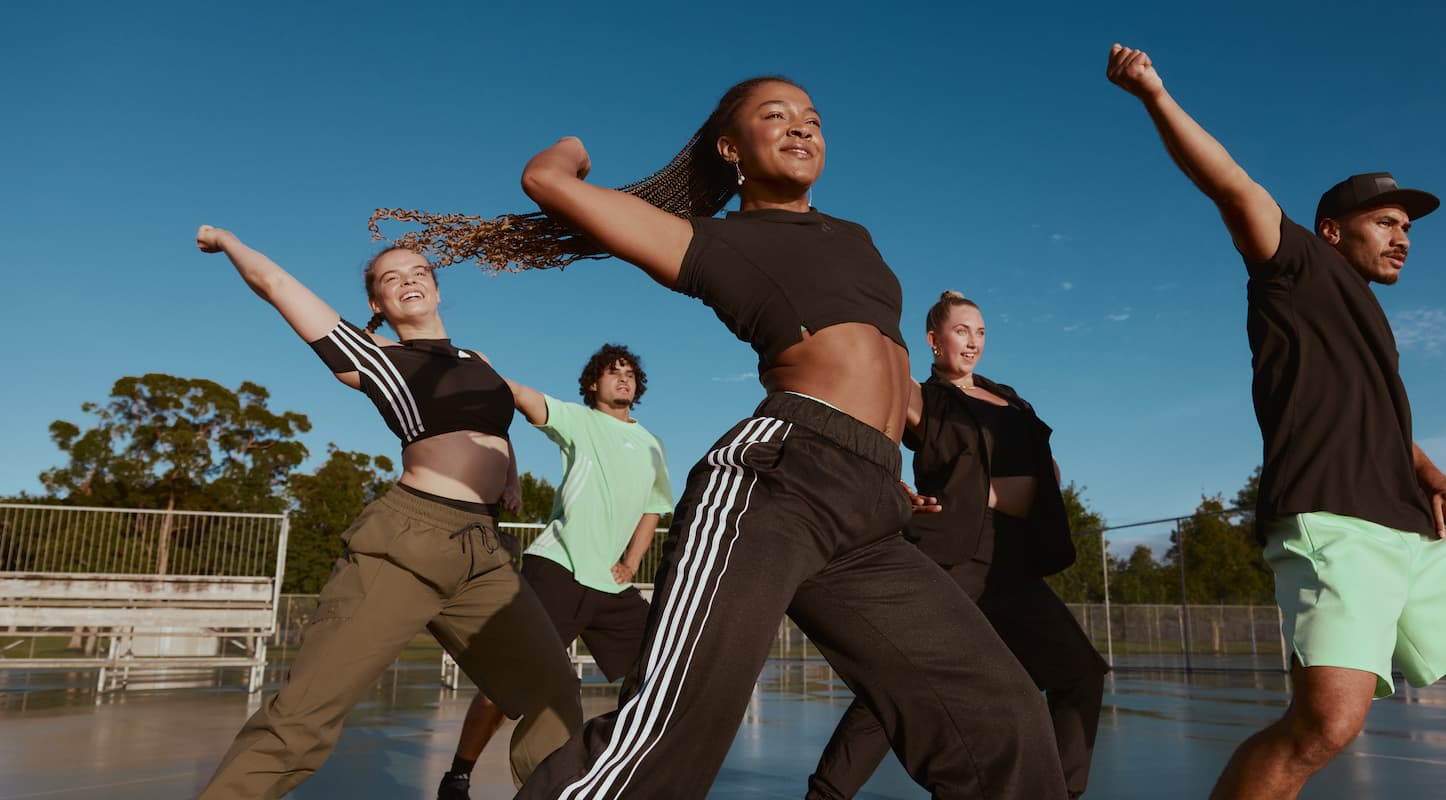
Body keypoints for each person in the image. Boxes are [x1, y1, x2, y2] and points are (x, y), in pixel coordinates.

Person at [378, 76, 1067, 798]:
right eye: (776, 116)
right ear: (732, 149)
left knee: (1001, 718)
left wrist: (893, 462)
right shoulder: (714, 243)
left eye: (813, 119)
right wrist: (578, 146)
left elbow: (887, 376)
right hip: (780, 480)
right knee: (669, 737)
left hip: (871, 502)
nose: (802, 128)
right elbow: (546, 179)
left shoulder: (855, 238)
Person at [1105, 45, 1446, 800]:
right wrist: (1154, 94)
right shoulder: (1294, 272)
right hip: (1335, 524)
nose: (1402, 237)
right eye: (1384, 222)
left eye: (1407, 227)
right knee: (1326, 725)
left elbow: (1380, 419)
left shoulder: (1371, 321)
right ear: (1331, 230)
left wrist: (1433, 474)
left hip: (1417, 531)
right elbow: (1228, 183)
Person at [192, 226, 581, 799]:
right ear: (377, 303)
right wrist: (229, 242)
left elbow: (492, 421)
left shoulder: (481, 360)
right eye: (390, 278)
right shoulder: (376, 358)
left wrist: (511, 472)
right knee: (301, 721)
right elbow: (275, 284)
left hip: (485, 555)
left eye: (419, 271)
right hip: (407, 541)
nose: (408, 280)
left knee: (554, 696)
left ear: (437, 288)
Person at [807, 290, 1110, 799]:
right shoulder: (924, 398)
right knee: (895, 688)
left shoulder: (1010, 398)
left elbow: (1045, 465)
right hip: (952, 558)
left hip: (1010, 567)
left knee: (1079, 675)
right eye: (962, 331)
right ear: (933, 340)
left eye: (981, 332)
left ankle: (1059, 792)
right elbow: (860, 402)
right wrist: (888, 482)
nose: (972, 342)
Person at [438, 344, 672, 800]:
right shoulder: (577, 421)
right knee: (507, 683)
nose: (623, 379)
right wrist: (487, 372)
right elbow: (523, 396)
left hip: (610, 583)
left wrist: (632, 563)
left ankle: (601, 771)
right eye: (612, 373)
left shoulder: (651, 444)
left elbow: (653, 508)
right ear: (592, 384)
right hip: (558, 567)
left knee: (657, 674)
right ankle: (459, 774)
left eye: (629, 374)